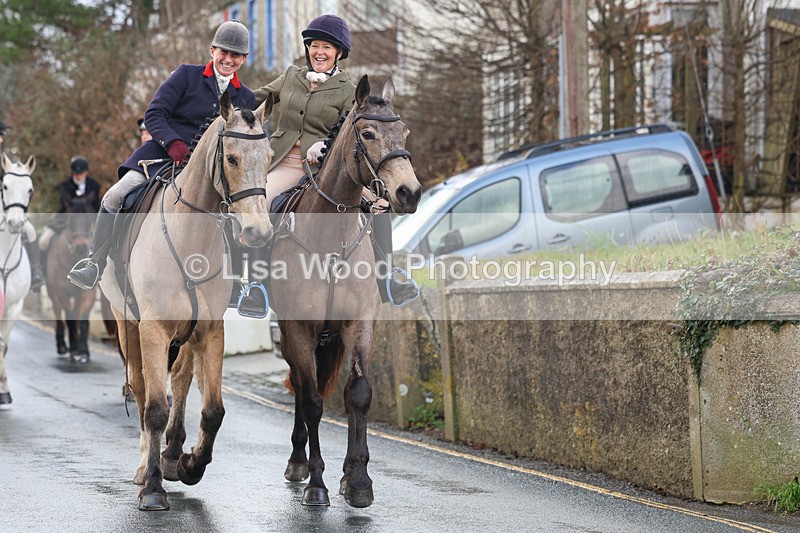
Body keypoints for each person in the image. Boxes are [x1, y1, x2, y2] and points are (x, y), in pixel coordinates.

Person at [240, 14, 417, 314]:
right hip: (285, 161)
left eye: (327, 47)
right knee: (263, 204)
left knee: (378, 206)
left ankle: (389, 277)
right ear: (308, 48)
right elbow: (253, 99)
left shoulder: (349, 89)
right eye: (315, 45)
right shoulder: (290, 76)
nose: (319, 52)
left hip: (325, 167)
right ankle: (256, 287)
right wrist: (226, 93)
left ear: (338, 53)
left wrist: (326, 145)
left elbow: (353, 131)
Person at [68, 20, 256, 291]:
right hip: (164, 156)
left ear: (243, 59)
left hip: (212, 170)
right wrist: (174, 144)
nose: (228, 59)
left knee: (244, 211)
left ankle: (241, 283)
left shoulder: (246, 97)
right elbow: (154, 114)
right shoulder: (185, 76)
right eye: (223, 52)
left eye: (235, 55)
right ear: (212, 51)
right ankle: (94, 263)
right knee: (115, 195)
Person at [0, 121, 44, 291]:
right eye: (0, 136)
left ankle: (36, 272)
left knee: (31, 230)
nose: (1, 140)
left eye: (2, 137)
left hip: (6, 205)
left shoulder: (4, 155)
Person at [38, 156, 101, 253]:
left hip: (89, 221)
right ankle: (40, 267)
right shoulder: (65, 185)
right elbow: (64, 205)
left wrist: (95, 222)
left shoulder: (94, 185)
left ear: (86, 172)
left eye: (80, 173)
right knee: (43, 241)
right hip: (67, 219)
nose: (78, 176)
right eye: (75, 173)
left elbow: (96, 206)